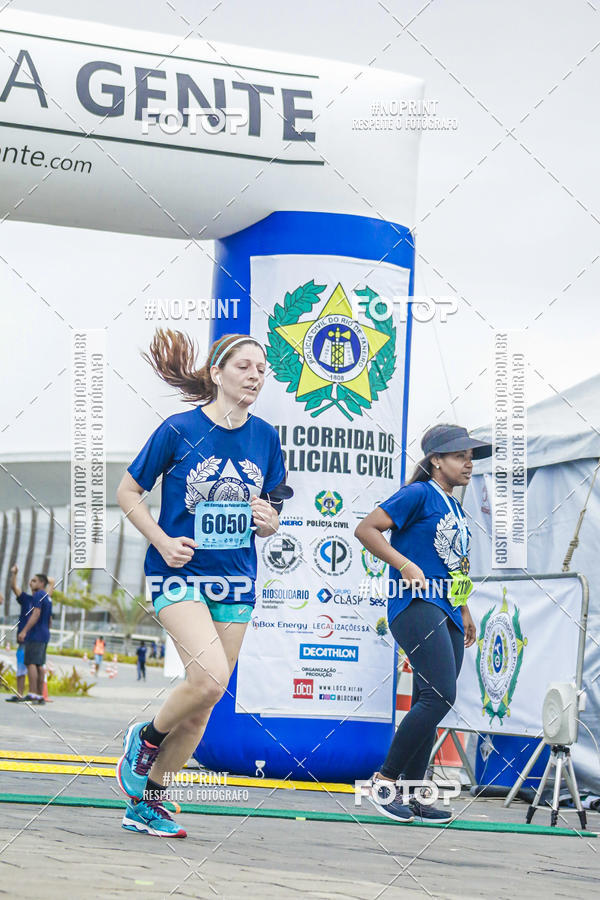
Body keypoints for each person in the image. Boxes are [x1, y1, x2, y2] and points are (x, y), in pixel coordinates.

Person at [115, 330, 292, 838]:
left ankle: (147, 801)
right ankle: (144, 740)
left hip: (236, 578)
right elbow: (128, 491)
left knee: (202, 701)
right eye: (243, 366)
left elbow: (273, 504)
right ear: (217, 374)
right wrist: (163, 539)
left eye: (261, 368)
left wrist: (270, 520)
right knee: (211, 677)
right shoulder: (178, 429)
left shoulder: (265, 436)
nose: (255, 375)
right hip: (179, 573)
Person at [355, 424, 492, 823]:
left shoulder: (455, 507)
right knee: (439, 697)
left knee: (428, 701)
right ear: (436, 460)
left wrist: (464, 610)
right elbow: (366, 528)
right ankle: (385, 784)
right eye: (459, 456)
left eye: (470, 456)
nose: (468, 463)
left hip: (447, 607)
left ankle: (414, 793)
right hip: (415, 603)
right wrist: (404, 564)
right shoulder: (417, 494)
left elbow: (454, 567)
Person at [7, 565, 54, 705]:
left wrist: (25, 630)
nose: (30, 583)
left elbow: (36, 613)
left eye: (34, 581)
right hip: (43, 634)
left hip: (35, 635)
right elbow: (50, 619)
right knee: (39, 664)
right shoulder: (46, 598)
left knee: (31, 663)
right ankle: (39, 696)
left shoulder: (38, 595)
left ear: (41, 583)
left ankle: (32, 694)